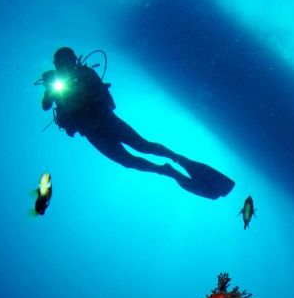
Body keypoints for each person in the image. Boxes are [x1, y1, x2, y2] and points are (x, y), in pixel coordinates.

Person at [39, 47, 234, 200]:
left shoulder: (85, 73)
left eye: (67, 61)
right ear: (57, 66)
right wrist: (50, 91)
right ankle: (167, 171)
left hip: (107, 120)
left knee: (144, 146)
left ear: (74, 60)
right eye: (61, 63)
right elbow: (45, 105)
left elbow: (102, 95)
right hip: (92, 132)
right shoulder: (55, 86)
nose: (65, 65)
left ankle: (178, 159)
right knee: (128, 161)